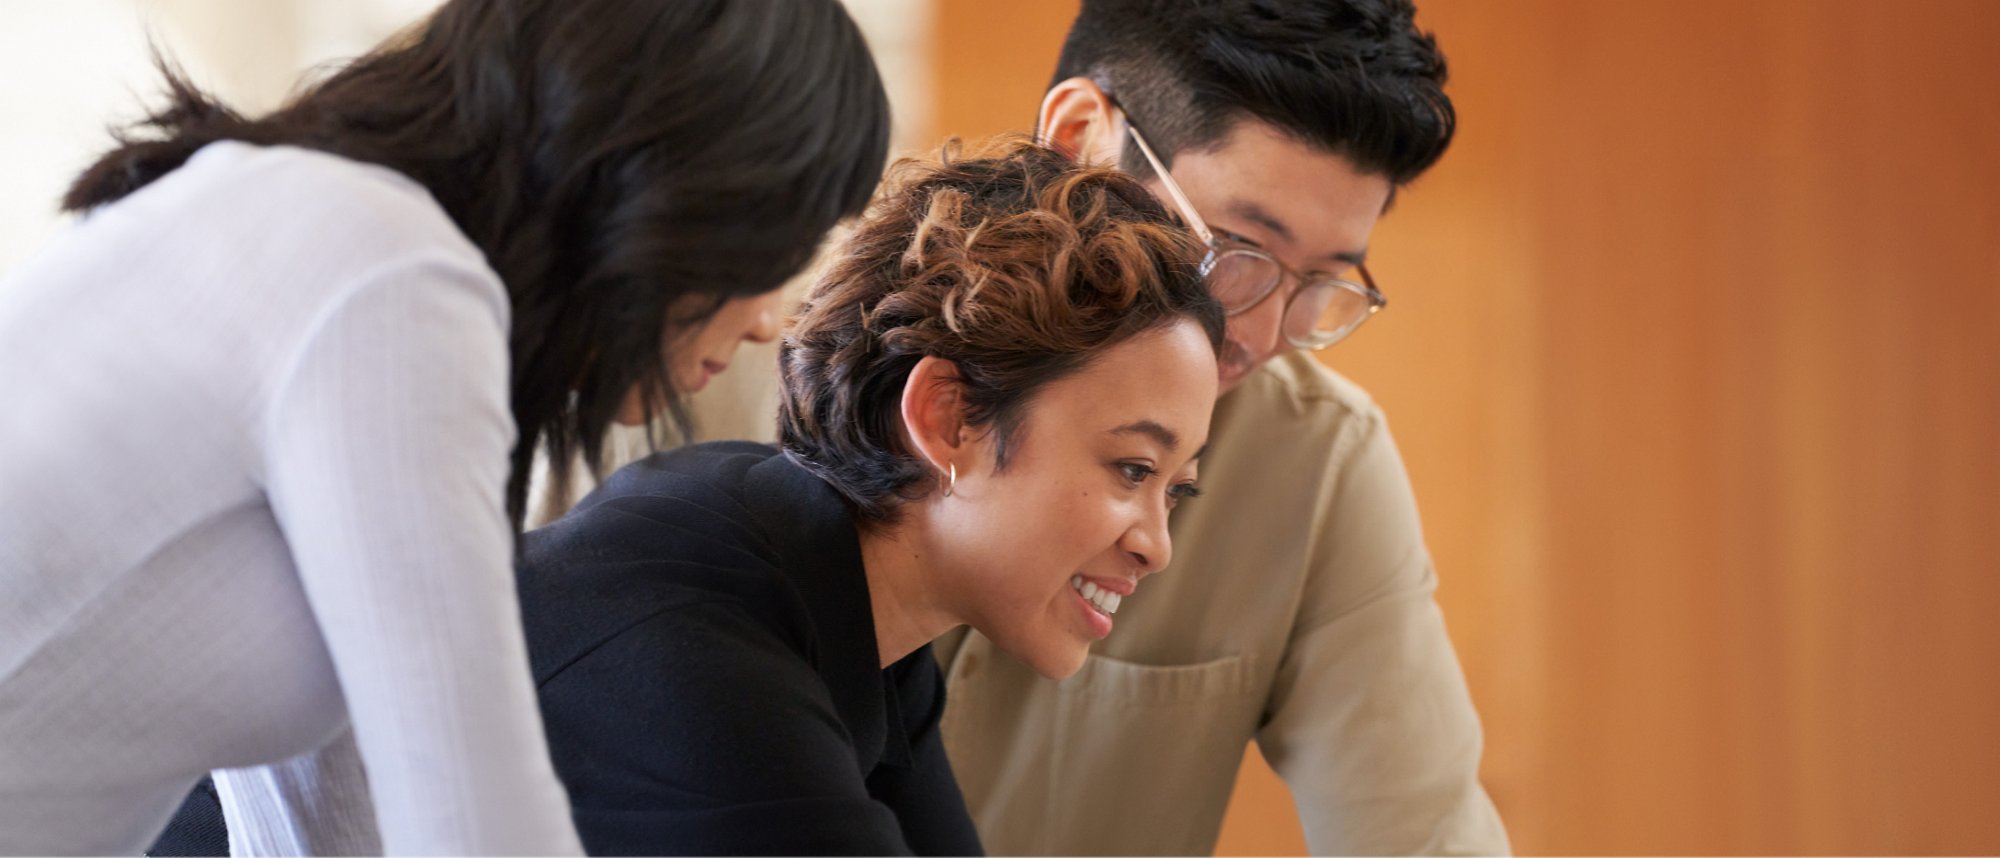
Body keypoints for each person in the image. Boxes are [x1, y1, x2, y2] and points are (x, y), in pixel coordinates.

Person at [0, 0, 888, 853]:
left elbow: (338, 819)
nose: (771, 318)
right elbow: (477, 830)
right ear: (674, 185)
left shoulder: (343, 236)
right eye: (777, 243)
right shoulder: (387, 281)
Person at [515, 139, 1224, 855]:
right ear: (949, 417)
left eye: (1178, 490)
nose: (1155, 547)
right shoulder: (714, 672)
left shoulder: (856, 609)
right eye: (1134, 469)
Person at [929, 1, 1513, 855]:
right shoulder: (741, 384)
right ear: (1081, 135)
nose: (1260, 334)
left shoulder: (1313, 463)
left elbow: (1422, 836)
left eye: (1320, 280)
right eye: (1234, 249)